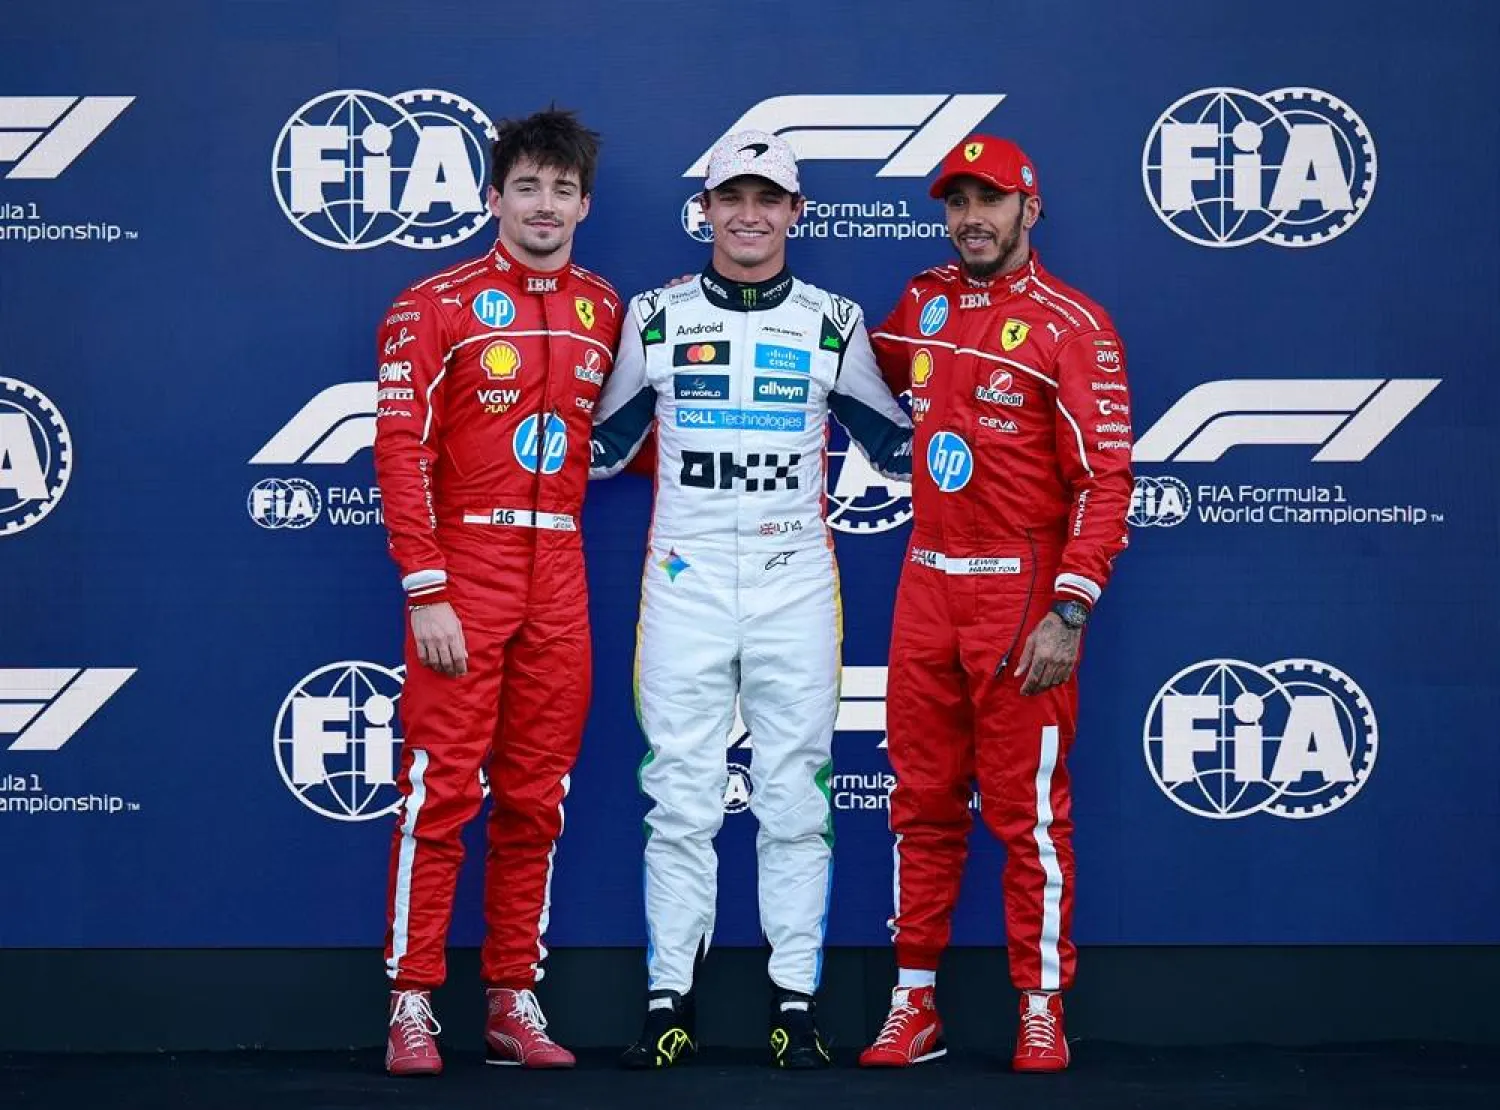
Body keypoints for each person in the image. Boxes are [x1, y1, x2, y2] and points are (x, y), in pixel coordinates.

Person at [591, 130, 913, 1070]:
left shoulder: (830, 319)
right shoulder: (652, 317)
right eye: (731, 197)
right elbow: (601, 447)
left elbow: (895, 444)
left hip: (795, 581)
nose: (748, 215)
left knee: (794, 799)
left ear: (795, 213)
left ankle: (796, 1002)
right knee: (680, 799)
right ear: (705, 208)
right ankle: (666, 1002)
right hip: (684, 579)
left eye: (767, 199)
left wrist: (963, 411)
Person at [858, 135, 1133, 1073]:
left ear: (1031, 207)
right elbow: (863, 383)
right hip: (925, 578)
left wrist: (1071, 607)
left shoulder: (1073, 325)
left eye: (992, 201)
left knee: (1027, 814)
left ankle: (1041, 1005)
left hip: (1022, 595)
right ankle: (915, 1001)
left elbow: (1106, 480)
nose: (972, 219)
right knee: (921, 803)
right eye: (958, 203)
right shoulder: (923, 302)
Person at [373, 108, 621, 1077]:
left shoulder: (605, 306)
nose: (546, 205)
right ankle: (410, 999)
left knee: (536, 799)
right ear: (493, 197)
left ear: (584, 203)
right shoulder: (432, 303)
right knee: (440, 793)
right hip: (463, 573)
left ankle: (512, 994)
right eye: (528, 187)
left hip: (559, 573)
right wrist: (426, 586)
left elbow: (631, 435)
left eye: (562, 189)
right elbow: (400, 451)